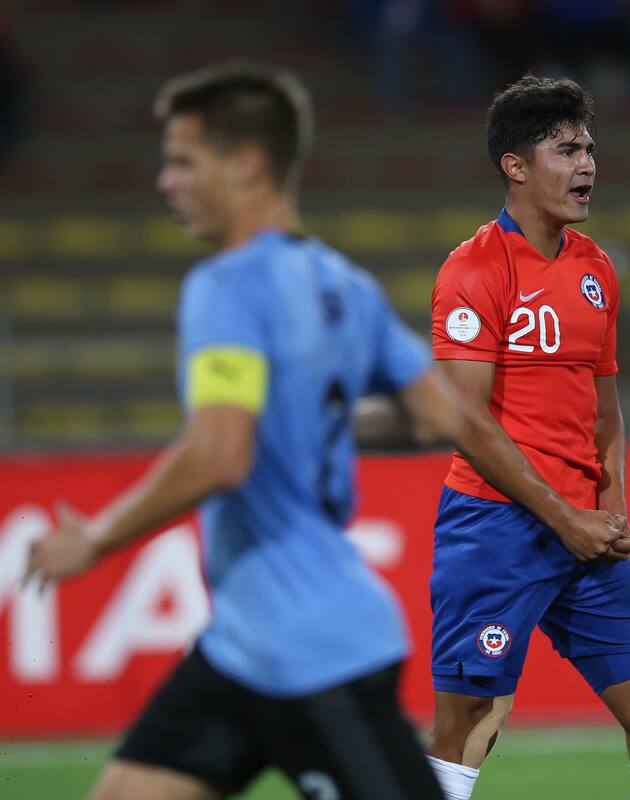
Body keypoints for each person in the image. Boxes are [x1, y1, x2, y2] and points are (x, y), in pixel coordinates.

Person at [23, 61, 493, 800]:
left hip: (311, 650)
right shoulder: (344, 283)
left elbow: (220, 454)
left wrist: (96, 538)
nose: (165, 181)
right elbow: (444, 417)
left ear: (245, 164)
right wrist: (314, 423)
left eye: (182, 160)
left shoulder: (226, 286)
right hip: (241, 647)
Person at [424, 75, 630, 800]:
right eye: (565, 150)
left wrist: (611, 511)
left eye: (588, 148)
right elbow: (464, 419)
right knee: (470, 719)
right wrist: (565, 516)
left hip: (583, 533)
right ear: (515, 166)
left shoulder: (596, 269)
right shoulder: (473, 269)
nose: (586, 165)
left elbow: (605, 409)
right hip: (496, 525)